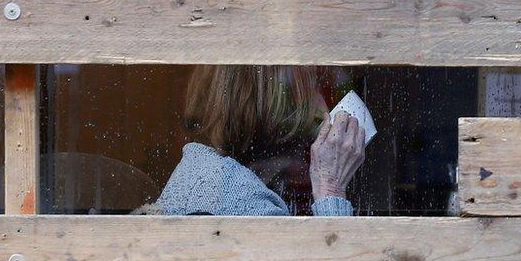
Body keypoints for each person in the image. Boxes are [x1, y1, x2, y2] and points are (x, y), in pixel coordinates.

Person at [139, 65, 365, 217]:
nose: (324, 105)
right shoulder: (238, 198)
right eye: (313, 87)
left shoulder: (206, 170)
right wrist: (330, 189)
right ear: (273, 102)